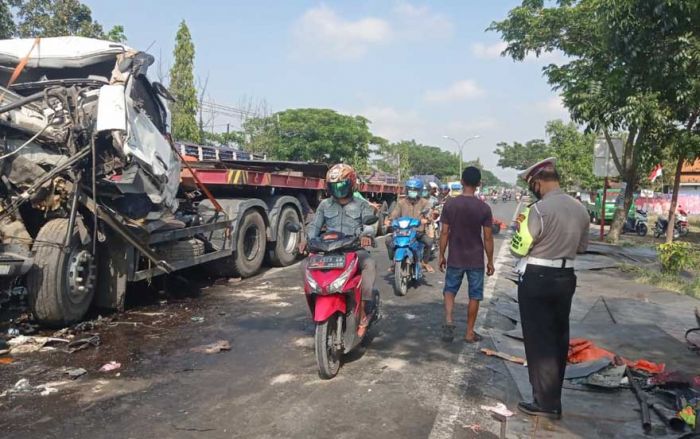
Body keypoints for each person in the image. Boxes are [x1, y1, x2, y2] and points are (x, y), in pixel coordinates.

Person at [510, 157, 590, 420]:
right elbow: (582, 248)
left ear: (538, 182)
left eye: (532, 184)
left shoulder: (539, 210)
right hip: (566, 277)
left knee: (538, 340)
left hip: (537, 278)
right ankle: (554, 400)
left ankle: (544, 402)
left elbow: (518, 248)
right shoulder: (580, 209)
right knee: (558, 337)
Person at [307, 163, 377, 337]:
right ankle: (316, 307)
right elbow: (314, 226)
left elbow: (370, 225)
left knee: (369, 265)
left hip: (354, 249)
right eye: (334, 186)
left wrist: (367, 235)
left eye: (341, 185)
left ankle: (364, 312)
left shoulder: (361, 205)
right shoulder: (324, 205)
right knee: (304, 267)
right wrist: (305, 241)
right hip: (328, 250)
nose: (338, 190)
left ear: (351, 184)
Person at [438, 167, 495, 343]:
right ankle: (469, 333)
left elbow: (444, 233)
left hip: (455, 256)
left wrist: (441, 255)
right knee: (474, 295)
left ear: (462, 182)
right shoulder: (484, 208)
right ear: (479, 184)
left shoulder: (450, 205)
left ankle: (448, 320)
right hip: (475, 259)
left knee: (449, 290)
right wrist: (490, 261)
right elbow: (487, 237)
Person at [384, 178, 434, 273]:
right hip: (402, 232)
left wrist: (426, 219)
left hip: (417, 232)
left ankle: (425, 262)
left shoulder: (424, 202)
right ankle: (394, 262)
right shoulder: (401, 202)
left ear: (419, 191)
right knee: (388, 241)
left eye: (414, 190)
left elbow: (429, 213)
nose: (412, 192)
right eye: (410, 190)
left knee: (429, 242)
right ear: (407, 190)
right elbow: (395, 213)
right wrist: (389, 220)